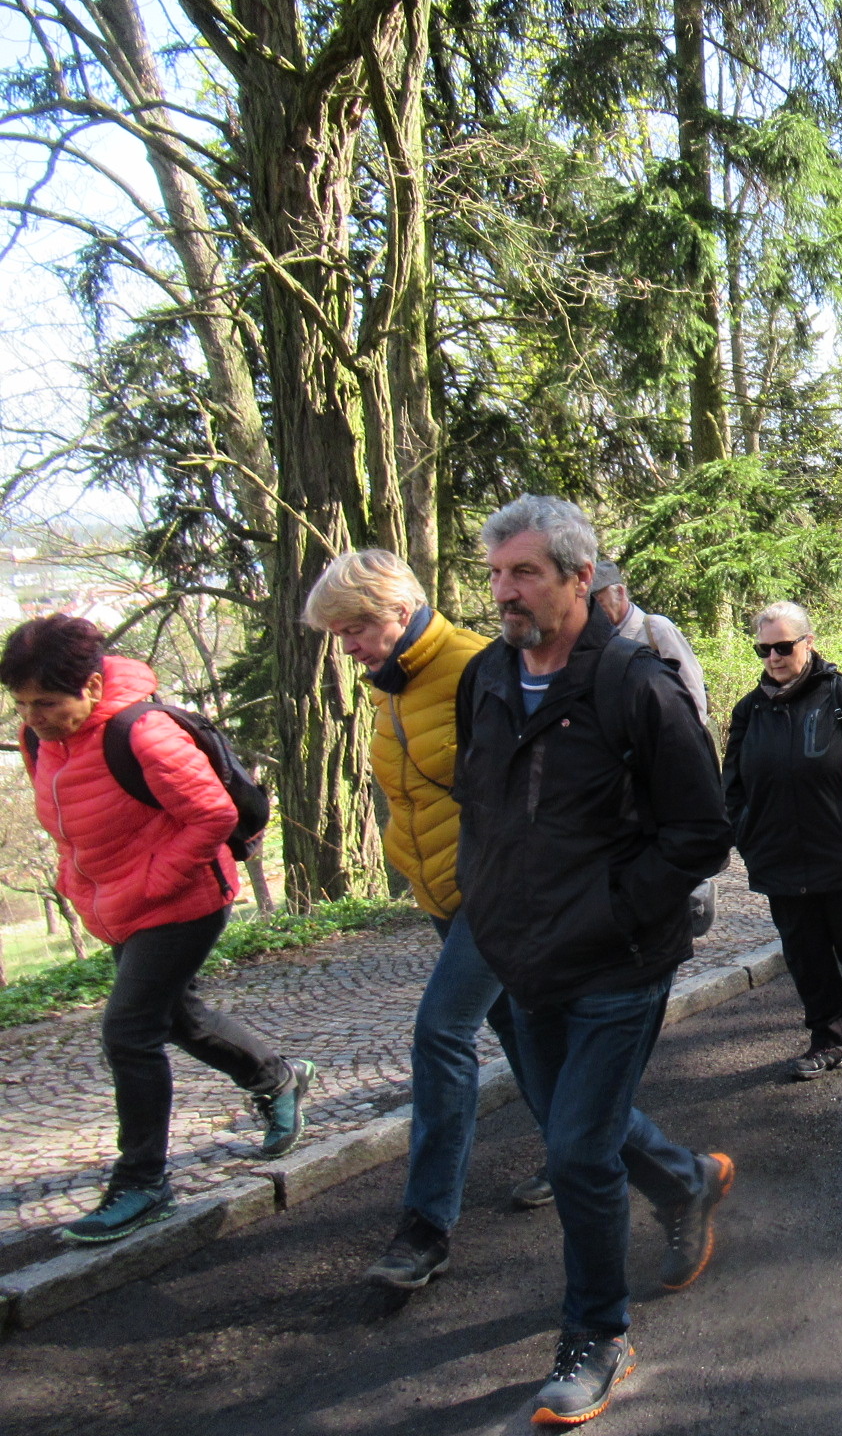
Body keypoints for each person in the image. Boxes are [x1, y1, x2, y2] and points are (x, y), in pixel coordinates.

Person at [455, 495, 735, 1425]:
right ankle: (686, 1178)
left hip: (617, 966)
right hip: (521, 961)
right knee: (581, 1122)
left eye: (524, 573)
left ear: (581, 578)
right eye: (496, 574)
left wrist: (614, 912)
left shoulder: (636, 685)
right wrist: (485, 902)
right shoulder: (486, 681)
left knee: (575, 1147)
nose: (505, 592)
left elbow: (701, 831)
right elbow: (484, 812)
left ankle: (597, 1338)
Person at [3, 615, 313, 1247]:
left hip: (183, 901)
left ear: (91, 686)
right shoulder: (42, 741)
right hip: (117, 905)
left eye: (48, 703)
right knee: (173, 1016)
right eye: (22, 704)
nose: (34, 716)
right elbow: (70, 829)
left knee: (128, 1029)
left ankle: (143, 1183)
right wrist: (82, 889)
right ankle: (276, 1076)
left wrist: (144, 885)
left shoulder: (141, 732)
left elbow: (213, 816)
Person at [303, 550, 553, 1293]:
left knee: (441, 1032)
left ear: (396, 609)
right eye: (338, 634)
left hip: (496, 891)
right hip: (441, 892)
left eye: (352, 628)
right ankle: (607, 1156)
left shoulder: (480, 666)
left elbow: (535, 782)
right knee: (517, 1031)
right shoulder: (391, 686)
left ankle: (425, 1230)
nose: (346, 646)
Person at [725, 602, 842, 1080]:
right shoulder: (750, 710)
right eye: (764, 649)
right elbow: (733, 782)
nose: (774, 658)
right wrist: (746, 832)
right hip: (778, 854)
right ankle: (829, 1038)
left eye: (783, 647)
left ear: (808, 643)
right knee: (804, 951)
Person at [591, 560, 710, 725]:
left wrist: (695, 734)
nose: (593, 609)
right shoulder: (596, 639)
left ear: (619, 592)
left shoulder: (656, 629)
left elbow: (690, 684)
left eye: (598, 600)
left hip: (668, 736)